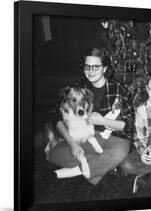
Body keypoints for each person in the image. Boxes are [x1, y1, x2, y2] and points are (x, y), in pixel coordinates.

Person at [48, 47, 133, 185]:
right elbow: (55, 115)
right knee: (54, 154)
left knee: (118, 154)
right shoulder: (77, 88)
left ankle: (77, 170)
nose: (90, 71)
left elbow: (129, 125)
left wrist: (103, 120)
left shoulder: (119, 89)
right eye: (87, 67)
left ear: (104, 68)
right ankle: (101, 166)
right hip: (87, 136)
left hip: (115, 137)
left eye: (95, 67)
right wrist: (72, 144)